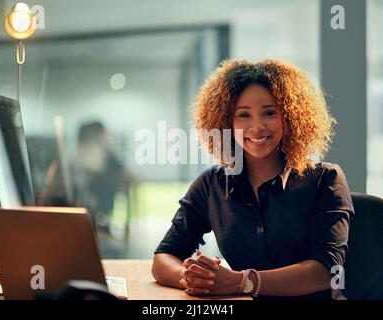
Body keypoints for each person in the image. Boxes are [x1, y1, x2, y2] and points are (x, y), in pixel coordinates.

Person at [151, 59, 355, 300]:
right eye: (243, 115)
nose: (257, 126)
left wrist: (242, 282)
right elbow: (164, 258)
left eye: (269, 113)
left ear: (289, 117)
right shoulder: (212, 184)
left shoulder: (326, 179)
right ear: (226, 122)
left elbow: (327, 271)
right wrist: (196, 278)